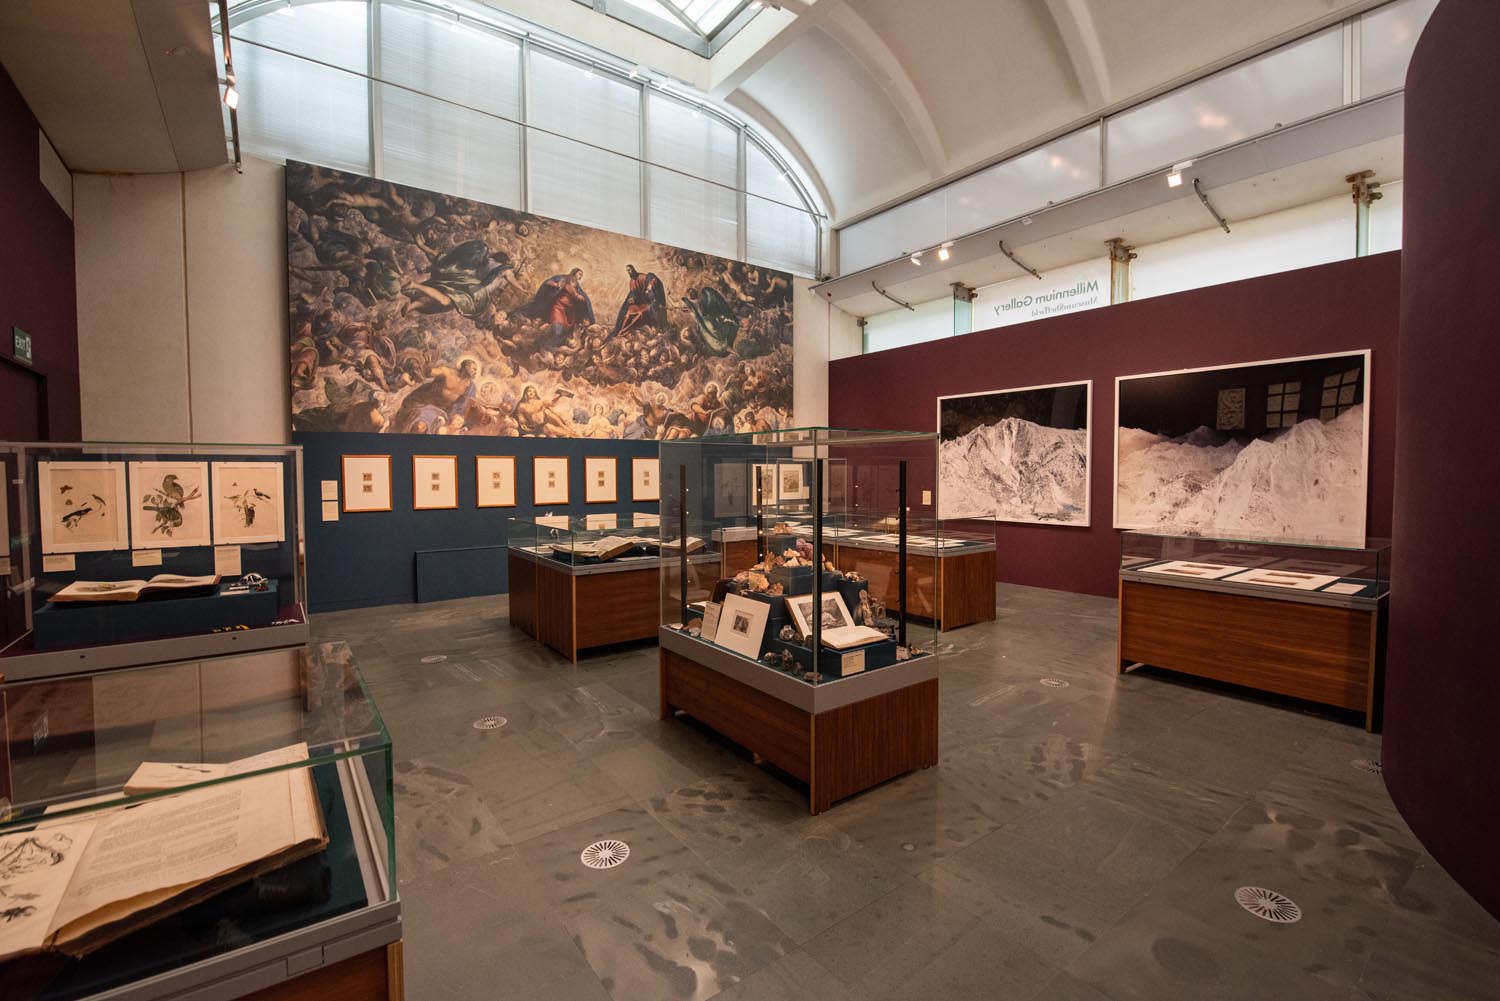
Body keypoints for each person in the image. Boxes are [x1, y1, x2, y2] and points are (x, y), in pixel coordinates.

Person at [392, 359, 480, 433]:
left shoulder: (470, 386)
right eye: (474, 369)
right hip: (422, 403)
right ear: (466, 367)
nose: (476, 372)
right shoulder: (447, 373)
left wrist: (456, 416)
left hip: (441, 411)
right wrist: (426, 367)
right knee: (420, 427)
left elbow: (462, 405)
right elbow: (429, 372)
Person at [519, 268, 595, 336]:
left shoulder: (577, 286)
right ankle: (543, 341)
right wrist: (556, 284)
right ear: (574, 273)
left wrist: (582, 298)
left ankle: (549, 342)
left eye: (582, 275)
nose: (580, 277)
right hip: (558, 307)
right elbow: (548, 282)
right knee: (557, 329)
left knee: (565, 332)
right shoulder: (563, 278)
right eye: (580, 274)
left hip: (568, 312)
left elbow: (582, 297)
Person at [679, 286, 739, 355]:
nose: (691, 295)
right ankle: (732, 351)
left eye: (692, 293)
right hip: (704, 322)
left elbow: (703, 312)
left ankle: (732, 350)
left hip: (707, 320)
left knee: (713, 337)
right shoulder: (692, 305)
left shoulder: (701, 299)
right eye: (690, 294)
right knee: (713, 339)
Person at [612, 265, 668, 336]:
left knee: (640, 313)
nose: (628, 272)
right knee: (628, 313)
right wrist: (632, 299)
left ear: (633, 269)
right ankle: (623, 330)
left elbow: (652, 280)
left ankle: (654, 327)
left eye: (629, 270)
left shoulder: (642, 277)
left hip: (649, 303)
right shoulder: (632, 282)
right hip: (640, 303)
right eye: (627, 270)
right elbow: (634, 294)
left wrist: (649, 287)